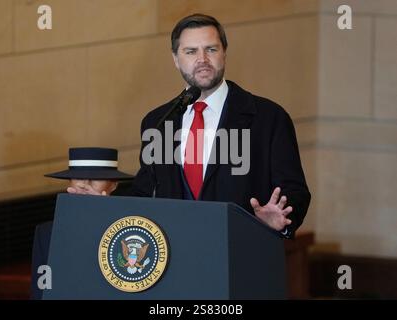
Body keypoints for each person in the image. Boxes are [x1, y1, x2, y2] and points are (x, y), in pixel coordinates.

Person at [69, 14, 311, 240]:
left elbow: (294, 191)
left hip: (242, 253)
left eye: (211, 49)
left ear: (224, 53)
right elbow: (144, 195)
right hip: (174, 260)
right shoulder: (158, 122)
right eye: (191, 51)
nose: (202, 60)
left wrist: (279, 220)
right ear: (176, 59)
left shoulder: (268, 117)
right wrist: (102, 206)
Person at [30, 147, 133, 299]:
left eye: (97, 178)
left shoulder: (130, 232)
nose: (84, 184)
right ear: (70, 181)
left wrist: (107, 217)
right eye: (78, 177)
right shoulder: (47, 232)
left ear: (114, 184)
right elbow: (41, 291)